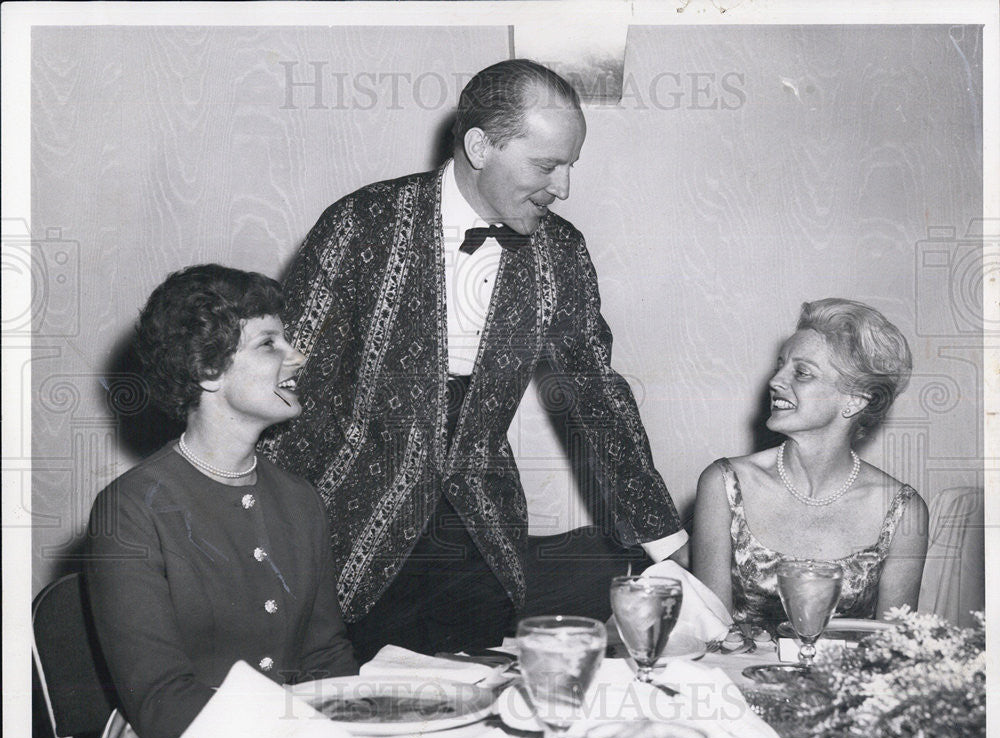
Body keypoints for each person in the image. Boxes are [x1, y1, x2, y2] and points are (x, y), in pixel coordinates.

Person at [261, 59, 686, 662]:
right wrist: (260, 527)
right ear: (480, 146)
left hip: (480, 535)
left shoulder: (560, 251)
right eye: (546, 165)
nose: (562, 188)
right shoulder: (362, 224)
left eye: (569, 166)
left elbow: (595, 394)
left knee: (475, 706)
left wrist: (666, 542)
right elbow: (291, 385)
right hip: (350, 524)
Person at [85, 264, 357, 738]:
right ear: (207, 369)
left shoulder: (301, 500)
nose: (298, 357)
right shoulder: (130, 510)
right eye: (269, 343)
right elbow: (161, 701)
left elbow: (327, 658)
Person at [691, 298, 928, 628]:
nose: (775, 381)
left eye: (801, 373)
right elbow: (710, 633)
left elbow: (893, 650)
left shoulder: (902, 510)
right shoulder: (725, 484)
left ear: (855, 399)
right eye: (780, 366)